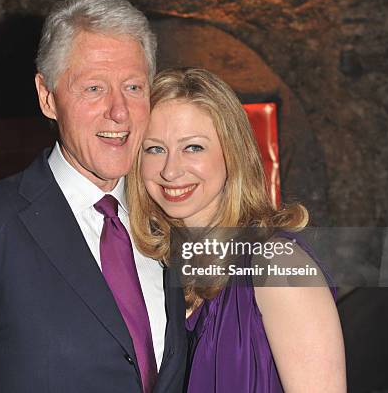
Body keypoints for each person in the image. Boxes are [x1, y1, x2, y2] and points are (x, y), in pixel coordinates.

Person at [0, 0, 187, 393]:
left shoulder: (167, 225)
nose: (119, 111)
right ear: (47, 97)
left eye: (134, 87)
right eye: (93, 88)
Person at [127, 68, 346, 392]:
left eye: (193, 148)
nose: (170, 170)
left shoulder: (278, 265)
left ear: (233, 153)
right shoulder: (163, 271)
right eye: (154, 149)